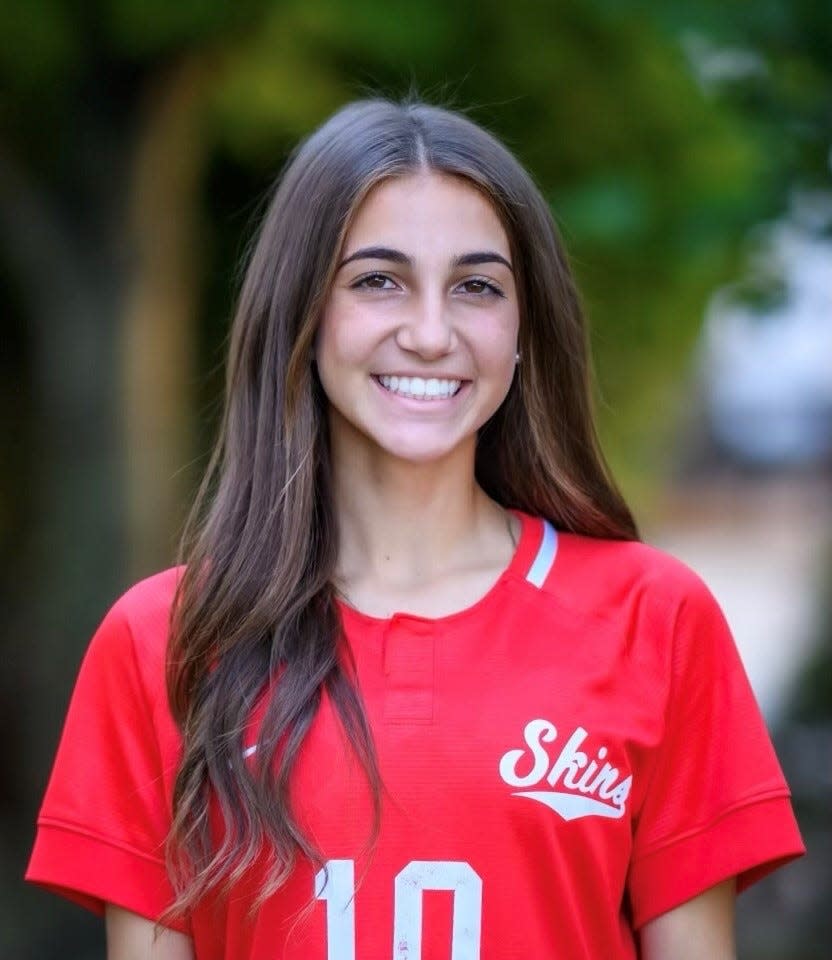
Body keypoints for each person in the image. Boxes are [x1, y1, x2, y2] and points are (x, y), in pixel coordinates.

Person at [27, 98, 804, 960]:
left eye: (476, 287)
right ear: (302, 314)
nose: (431, 334)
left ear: (522, 331)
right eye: (377, 280)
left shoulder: (655, 620)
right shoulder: (164, 642)